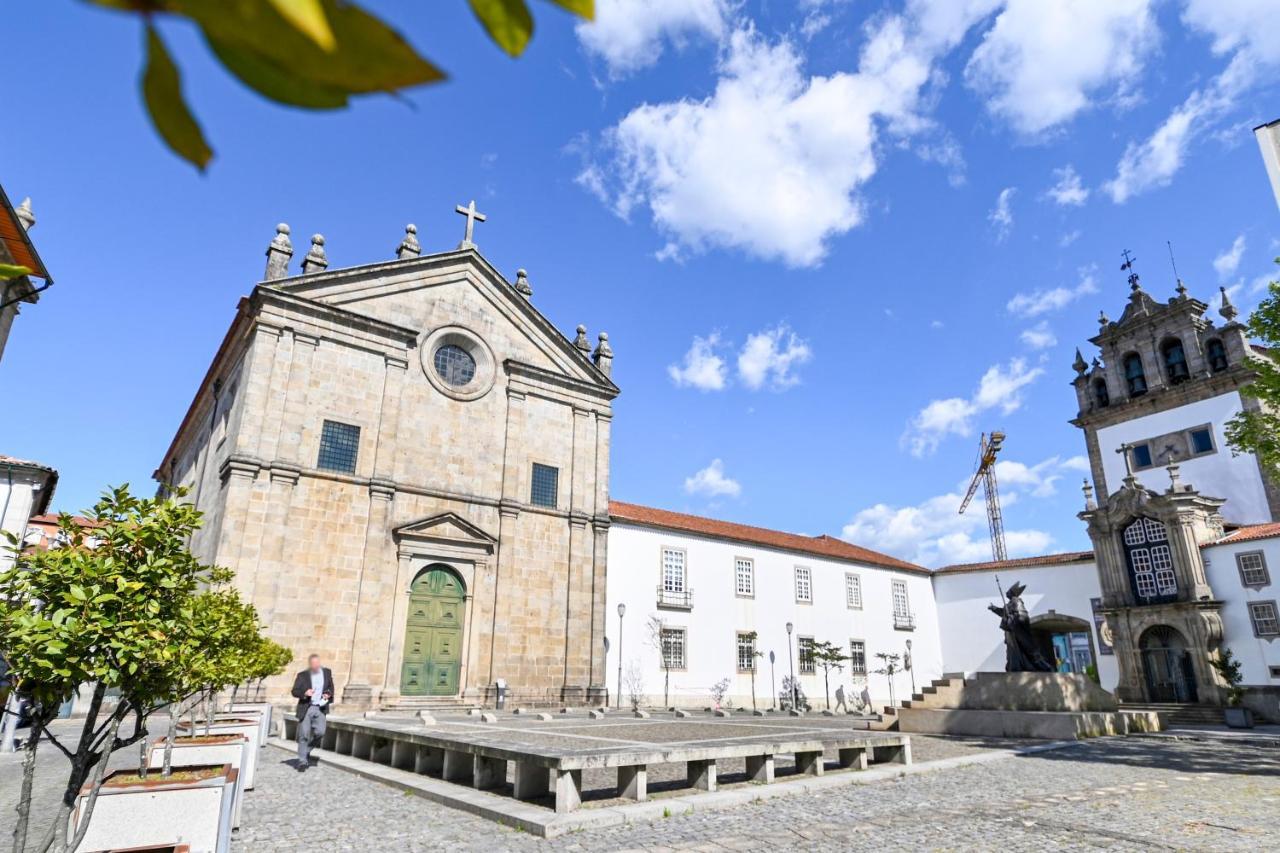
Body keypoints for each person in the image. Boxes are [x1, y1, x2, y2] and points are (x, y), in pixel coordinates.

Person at [291, 654, 334, 770]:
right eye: (313, 663)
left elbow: (331, 688)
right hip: (307, 707)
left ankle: (307, 750)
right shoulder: (302, 675)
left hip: (320, 707)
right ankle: (302, 761)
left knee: (320, 732)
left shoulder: (327, 673)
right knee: (303, 734)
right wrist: (305, 693)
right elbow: (294, 691)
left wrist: (328, 694)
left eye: (317, 663)